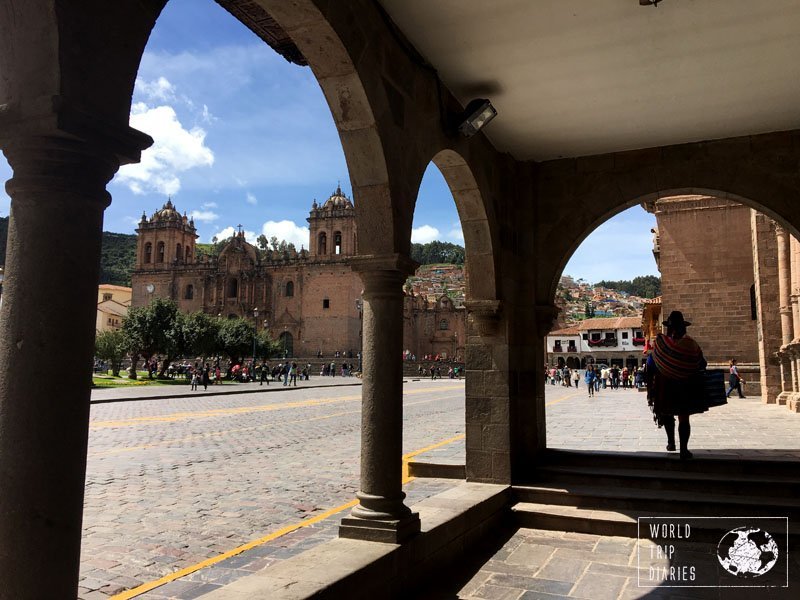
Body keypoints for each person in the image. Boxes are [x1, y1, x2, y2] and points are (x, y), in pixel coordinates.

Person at [646, 311, 707, 460]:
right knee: (684, 418)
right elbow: (702, 363)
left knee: (667, 414)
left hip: (665, 386)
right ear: (683, 328)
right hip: (685, 386)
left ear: (669, 328)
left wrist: (651, 389)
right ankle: (684, 450)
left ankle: (671, 442)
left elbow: (650, 365)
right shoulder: (691, 344)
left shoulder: (661, 345)